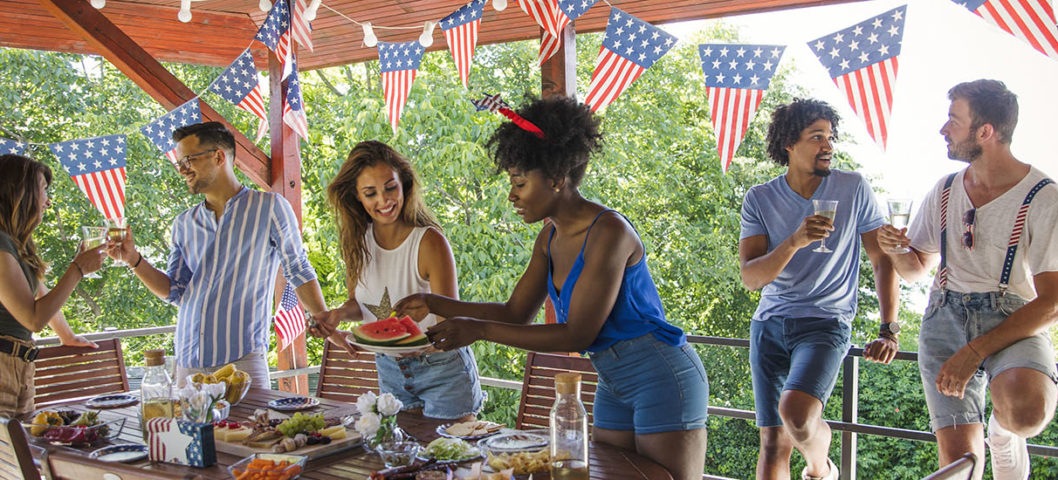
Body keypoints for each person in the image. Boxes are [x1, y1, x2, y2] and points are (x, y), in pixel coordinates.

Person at [390, 96, 709, 480]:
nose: (512, 195)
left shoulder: (609, 231)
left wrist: (478, 330)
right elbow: (515, 313)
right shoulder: (548, 237)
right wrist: (435, 302)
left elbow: (577, 332)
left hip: (660, 374)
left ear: (557, 179)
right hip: (612, 378)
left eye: (520, 182)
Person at [878, 79, 1057, 479]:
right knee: (961, 465)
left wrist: (975, 352)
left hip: (1012, 320)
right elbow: (915, 270)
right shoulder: (943, 190)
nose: (943, 129)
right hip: (944, 318)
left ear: (985, 132)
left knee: (1026, 414)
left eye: (953, 121)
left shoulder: (1044, 196)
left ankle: (1004, 429)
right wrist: (896, 251)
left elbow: (1053, 301)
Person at [739, 98, 900, 480]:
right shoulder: (760, 198)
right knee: (773, 443)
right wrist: (794, 241)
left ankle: (820, 466)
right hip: (769, 325)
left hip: (826, 322)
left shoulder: (854, 187)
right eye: (816, 137)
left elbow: (881, 259)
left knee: (796, 415)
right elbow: (751, 278)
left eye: (830, 137)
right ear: (789, 145)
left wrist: (889, 327)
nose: (828, 145)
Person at [107, 122, 328, 389]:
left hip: (242, 361)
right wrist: (134, 260)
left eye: (188, 160)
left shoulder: (269, 207)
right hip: (188, 362)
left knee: (253, 432)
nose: (182, 169)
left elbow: (298, 268)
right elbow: (175, 291)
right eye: (179, 163)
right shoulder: (183, 223)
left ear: (219, 156)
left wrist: (324, 320)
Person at [308, 140, 483, 421]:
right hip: (390, 370)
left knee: (453, 457)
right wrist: (337, 314)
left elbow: (450, 316)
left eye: (390, 188)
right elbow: (361, 303)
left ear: (404, 184)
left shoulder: (429, 242)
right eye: (370, 193)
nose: (384, 200)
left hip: (442, 368)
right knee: (403, 459)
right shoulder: (357, 242)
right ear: (357, 197)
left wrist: (424, 343)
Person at [0, 154, 102, 418]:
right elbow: (33, 318)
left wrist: (67, 336)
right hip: (3, 366)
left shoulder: (15, 242)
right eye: (43, 191)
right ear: (19, 193)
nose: (48, 201)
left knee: (21, 455)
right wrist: (78, 268)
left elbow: (39, 291)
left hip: (19, 366)